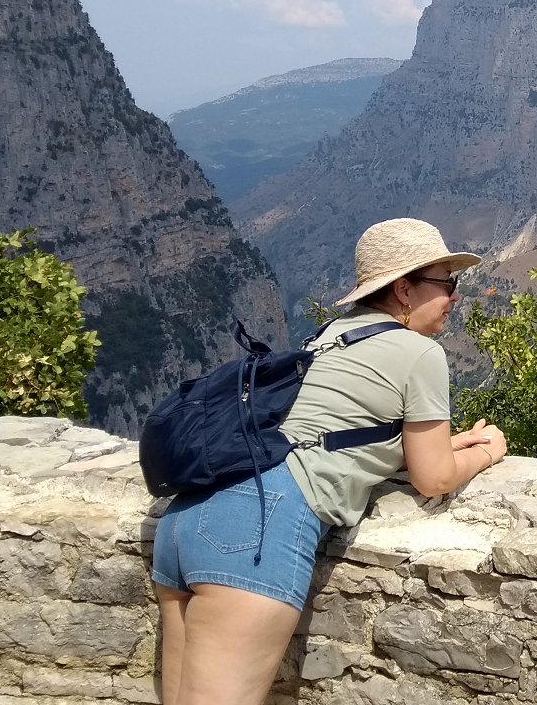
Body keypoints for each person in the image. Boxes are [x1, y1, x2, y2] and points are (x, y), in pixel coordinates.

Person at [150, 218, 507, 705]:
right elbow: (434, 478)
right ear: (404, 290)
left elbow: (342, 431)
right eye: (446, 283)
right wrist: (488, 452)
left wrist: (451, 441)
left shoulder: (329, 335)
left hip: (188, 520)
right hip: (256, 529)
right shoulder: (419, 352)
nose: (454, 296)